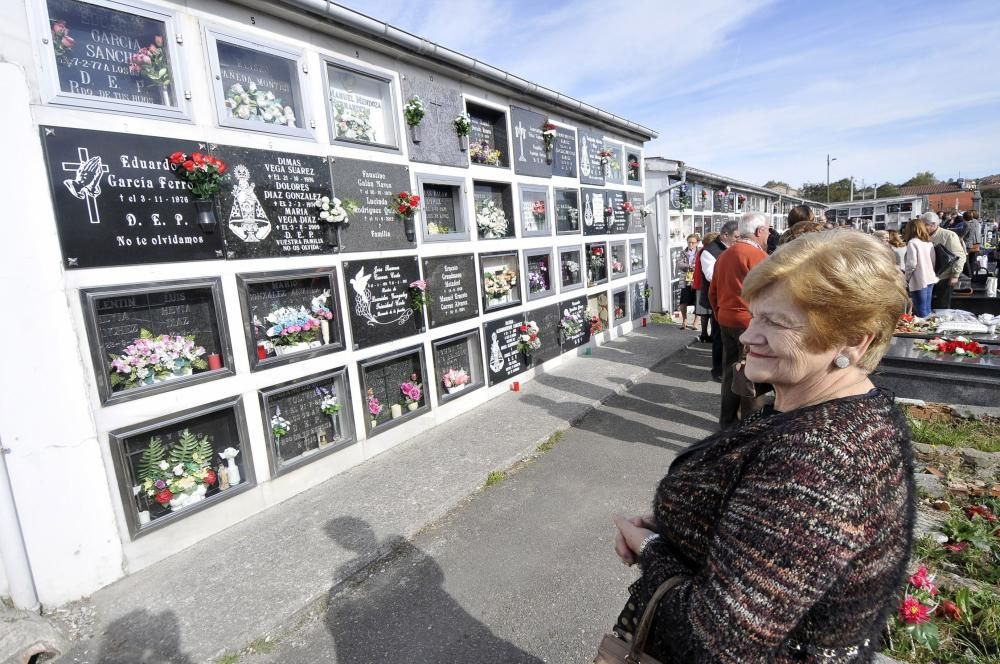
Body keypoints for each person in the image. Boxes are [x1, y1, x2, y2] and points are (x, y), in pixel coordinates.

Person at [611, 230, 914, 663]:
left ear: (852, 339)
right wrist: (678, 527)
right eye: (755, 316)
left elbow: (719, 642)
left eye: (776, 322)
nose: (749, 336)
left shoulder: (822, 456)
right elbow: (776, 537)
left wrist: (651, 549)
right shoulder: (817, 408)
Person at [709, 212, 770, 428]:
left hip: (726, 319)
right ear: (758, 231)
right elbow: (769, 295)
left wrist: (720, 315)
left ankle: (727, 423)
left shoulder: (724, 255)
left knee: (730, 371)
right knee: (750, 374)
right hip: (749, 322)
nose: (768, 234)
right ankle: (750, 426)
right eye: (767, 230)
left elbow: (712, 291)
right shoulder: (759, 257)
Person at [699, 221, 738, 382]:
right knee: (719, 337)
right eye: (736, 236)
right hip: (717, 300)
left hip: (731, 299)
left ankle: (731, 367)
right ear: (725, 235)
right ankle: (718, 370)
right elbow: (710, 275)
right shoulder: (709, 252)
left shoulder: (734, 249)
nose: (739, 239)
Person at [921, 211, 966, 309]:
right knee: (928, 306)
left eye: (924, 225)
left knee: (942, 306)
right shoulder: (923, 237)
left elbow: (960, 256)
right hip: (928, 278)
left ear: (933, 224)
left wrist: (955, 275)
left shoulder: (948, 235)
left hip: (944, 278)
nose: (922, 228)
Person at [902, 217, 936, 317]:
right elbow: (933, 261)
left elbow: (911, 264)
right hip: (930, 278)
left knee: (921, 310)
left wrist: (906, 278)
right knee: (927, 309)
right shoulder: (928, 243)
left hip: (918, 280)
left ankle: (924, 331)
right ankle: (931, 330)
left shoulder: (912, 243)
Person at [692, 232, 719, 343]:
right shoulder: (707, 252)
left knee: (704, 311)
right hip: (705, 285)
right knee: (709, 311)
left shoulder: (701, 251)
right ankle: (710, 333)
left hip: (699, 283)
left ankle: (704, 333)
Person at [677, 234, 700, 330]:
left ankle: (696, 322)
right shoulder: (683, 252)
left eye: (693, 242)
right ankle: (684, 320)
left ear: (697, 243)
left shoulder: (700, 252)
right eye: (689, 242)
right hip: (686, 279)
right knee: (683, 301)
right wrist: (688, 266)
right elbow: (679, 264)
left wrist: (696, 267)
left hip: (697, 279)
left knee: (697, 301)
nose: (691, 244)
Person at [963, 210, 983, 276]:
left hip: (972, 242)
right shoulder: (978, 222)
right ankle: (972, 274)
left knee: (968, 259)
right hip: (976, 241)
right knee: (972, 259)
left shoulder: (973, 222)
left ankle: (969, 274)